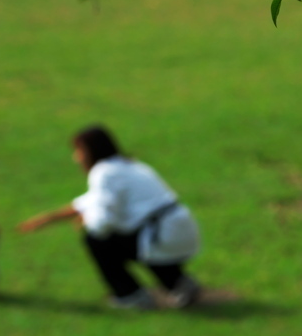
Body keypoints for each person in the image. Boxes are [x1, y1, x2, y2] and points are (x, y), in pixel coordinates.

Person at [17, 125, 201, 310]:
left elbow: (102, 223)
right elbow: (90, 202)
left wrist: (87, 219)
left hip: (162, 234)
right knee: (129, 238)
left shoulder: (104, 172)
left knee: (98, 241)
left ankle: (131, 296)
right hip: (179, 229)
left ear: (90, 151)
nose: (76, 157)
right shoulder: (128, 165)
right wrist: (49, 219)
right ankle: (179, 283)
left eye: (78, 150)